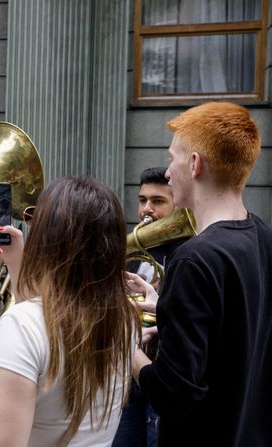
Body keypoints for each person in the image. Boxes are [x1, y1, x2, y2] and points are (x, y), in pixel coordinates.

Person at [0, 176, 138, 447]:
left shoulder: (22, 324)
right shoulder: (124, 317)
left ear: (46, 239)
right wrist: (16, 263)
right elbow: (52, 319)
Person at [132, 102, 272, 446]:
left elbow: (173, 395)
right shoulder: (265, 237)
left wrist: (125, 346)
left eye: (172, 159)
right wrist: (166, 310)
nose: (167, 173)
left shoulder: (193, 259)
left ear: (194, 164)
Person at [114, 167, 183, 447]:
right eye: (142, 200)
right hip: (130, 375)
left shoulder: (187, 253)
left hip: (165, 375)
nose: (146, 210)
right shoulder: (133, 250)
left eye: (157, 201)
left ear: (177, 204)